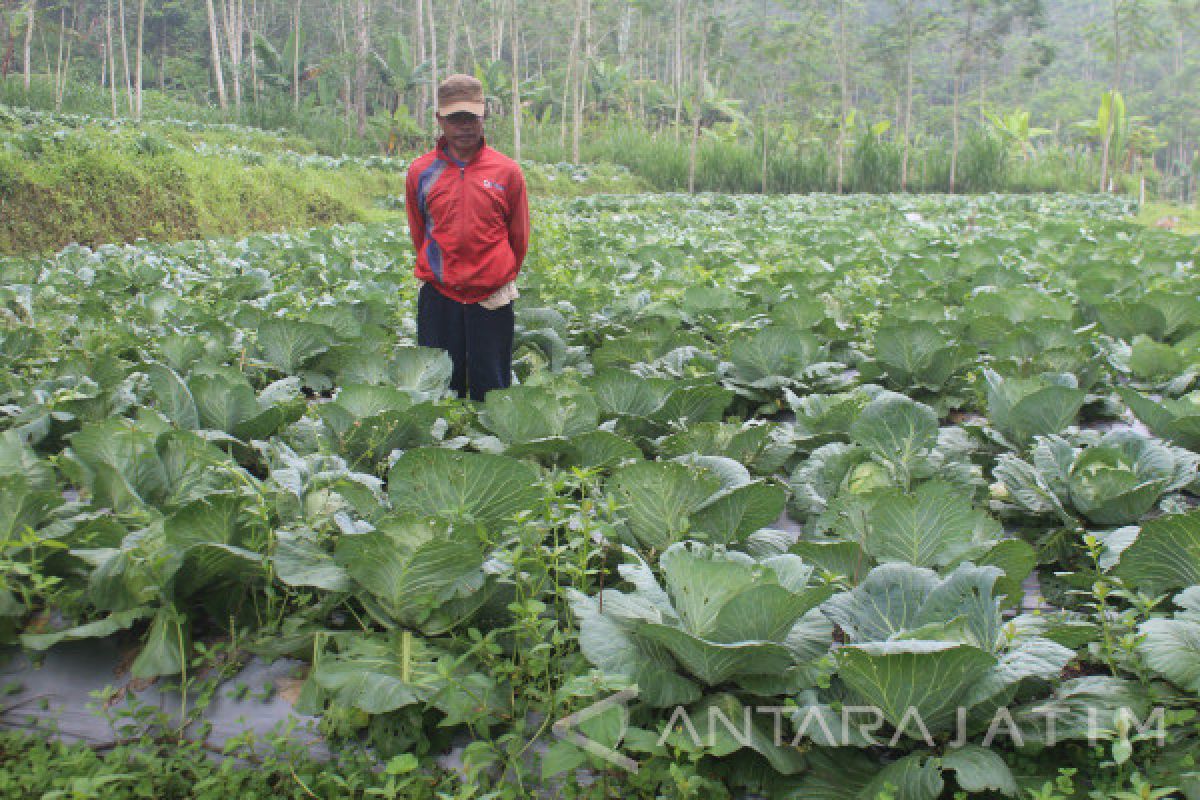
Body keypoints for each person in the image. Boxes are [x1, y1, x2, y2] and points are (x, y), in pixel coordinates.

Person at [405, 73, 530, 402]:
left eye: (471, 117)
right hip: (439, 294)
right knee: (441, 391)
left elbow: (518, 237)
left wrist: (494, 274)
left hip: (491, 297)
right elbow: (420, 233)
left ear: (484, 115)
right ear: (440, 120)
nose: (464, 126)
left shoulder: (506, 172)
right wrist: (444, 272)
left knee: (493, 389)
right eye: (455, 118)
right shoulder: (421, 172)